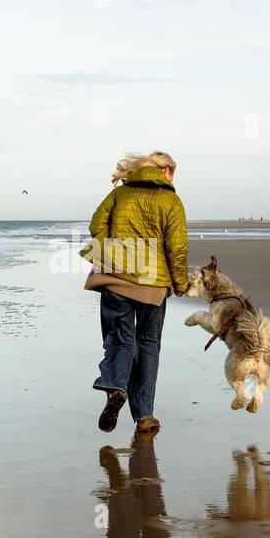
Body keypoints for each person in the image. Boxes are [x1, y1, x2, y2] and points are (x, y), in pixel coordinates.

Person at [80, 151, 189, 435]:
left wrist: (114, 254)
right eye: (173, 172)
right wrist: (180, 283)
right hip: (153, 284)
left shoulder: (118, 195)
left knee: (120, 339)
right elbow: (176, 247)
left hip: (116, 278)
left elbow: (95, 227)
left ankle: (116, 386)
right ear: (165, 171)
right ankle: (144, 417)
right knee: (149, 344)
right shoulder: (171, 200)